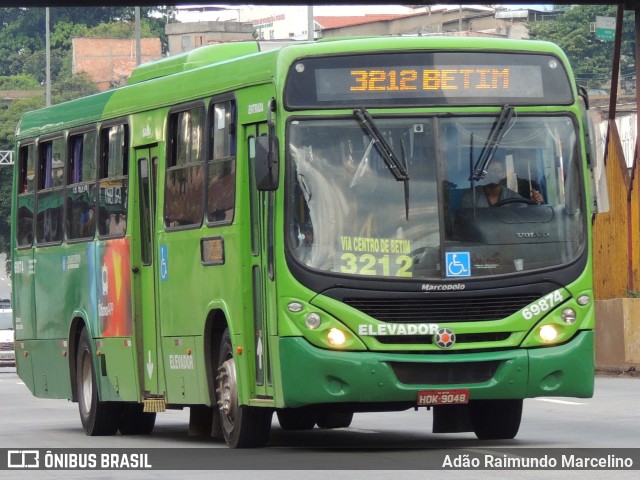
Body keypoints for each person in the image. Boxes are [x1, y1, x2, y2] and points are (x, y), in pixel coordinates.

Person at [460, 159, 543, 208]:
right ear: (484, 175)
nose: (494, 174)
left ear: (503, 174)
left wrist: (534, 204)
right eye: (490, 171)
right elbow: (465, 221)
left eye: (498, 171)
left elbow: (524, 216)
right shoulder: (471, 196)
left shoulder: (513, 197)